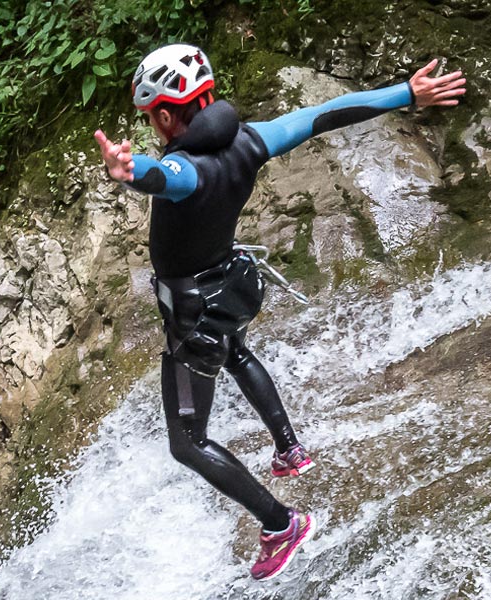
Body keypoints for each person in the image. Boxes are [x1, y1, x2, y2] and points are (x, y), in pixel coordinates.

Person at [92, 44, 466, 577]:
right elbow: (325, 114)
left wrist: (130, 172)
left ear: (168, 116)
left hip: (196, 309)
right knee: (235, 351)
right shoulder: (253, 140)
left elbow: (162, 176)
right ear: (210, 96)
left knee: (187, 442)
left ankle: (279, 523)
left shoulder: (183, 168)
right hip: (235, 283)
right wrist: (407, 92)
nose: (153, 127)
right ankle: (289, 449)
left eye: (152, 118)